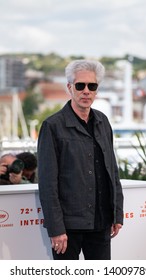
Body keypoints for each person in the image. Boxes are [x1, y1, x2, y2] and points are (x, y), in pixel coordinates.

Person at [38, 59, 124, 260]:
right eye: (80, 85)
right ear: (70, 87)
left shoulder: (103, 122)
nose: (86, 91)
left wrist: (117, 214)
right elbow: (47, 182)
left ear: (96, 90)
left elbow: (112, 171)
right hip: (68, 227)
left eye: (91, 86)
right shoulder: (52, 126)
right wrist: (56, 228)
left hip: (101, 223)